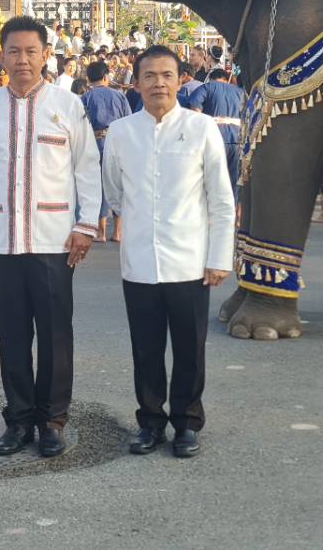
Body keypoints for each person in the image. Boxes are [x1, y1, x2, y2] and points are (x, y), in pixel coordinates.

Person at [0, 15, 102, 459]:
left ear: (46, 55)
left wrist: (85, 224)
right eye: (14, 51)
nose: (22, 59)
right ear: (1, 56)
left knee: (57, 334)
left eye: (31, 51)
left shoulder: (67, 105)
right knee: (13, 335)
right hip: (1, 242)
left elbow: (87, 167)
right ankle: (18, 419)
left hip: (54, 241)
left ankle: (52, 421)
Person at [102, 46, 234, 459]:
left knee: (190, 349)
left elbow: (221, 199)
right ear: (136, 82)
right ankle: (150, 421)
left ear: (180, 80)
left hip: (190, 261)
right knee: (146, 349)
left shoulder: (201, 129)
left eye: (167, 75)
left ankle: (187, 423)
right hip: (139, 262)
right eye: (150, 75)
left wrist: (219, 257)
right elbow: (114, 191)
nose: (158, 83)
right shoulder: (122, 132)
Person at [82, 61, 131, 242]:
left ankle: (101, 232)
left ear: (89, 79)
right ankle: (117, 232)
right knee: (118, 184)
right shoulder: (119, 97)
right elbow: (129, 120)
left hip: (94, 142)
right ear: (105, 77)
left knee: (98, 186)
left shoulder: (85, 98)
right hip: (118, 143)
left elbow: (80, 125)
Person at [198, 68, 247, 188]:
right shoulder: (240, 92)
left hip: (214, 141)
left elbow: (195, 109)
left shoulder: (206, 87)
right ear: (226, 79)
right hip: (237, 141)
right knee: (234, 183)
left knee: (212, 183)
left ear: (211, 79)